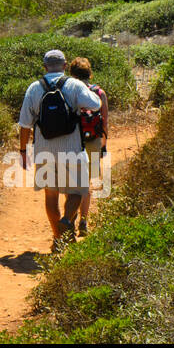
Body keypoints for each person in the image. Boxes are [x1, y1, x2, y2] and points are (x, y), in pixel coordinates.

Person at [18, 49, 101, 252]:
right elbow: (96, 104)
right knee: (78, 191)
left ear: (45, 67)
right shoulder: (74, 84)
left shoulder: (34, 88)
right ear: (64, 66)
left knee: (51, 196)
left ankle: (58, 239)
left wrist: (22, 150)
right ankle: (67, 220)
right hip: (72, 148)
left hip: (44, 150)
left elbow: (25, 124)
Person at [67, 56, 108, 236]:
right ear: (89, 73)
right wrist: (103, 145)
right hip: (93, 140)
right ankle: (84, 221)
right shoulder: (99, 93)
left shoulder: (69, 91)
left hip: (73, 141)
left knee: (72, 183)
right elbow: (105, 122)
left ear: (72, 73)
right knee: (87, 183)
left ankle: (71, 218)